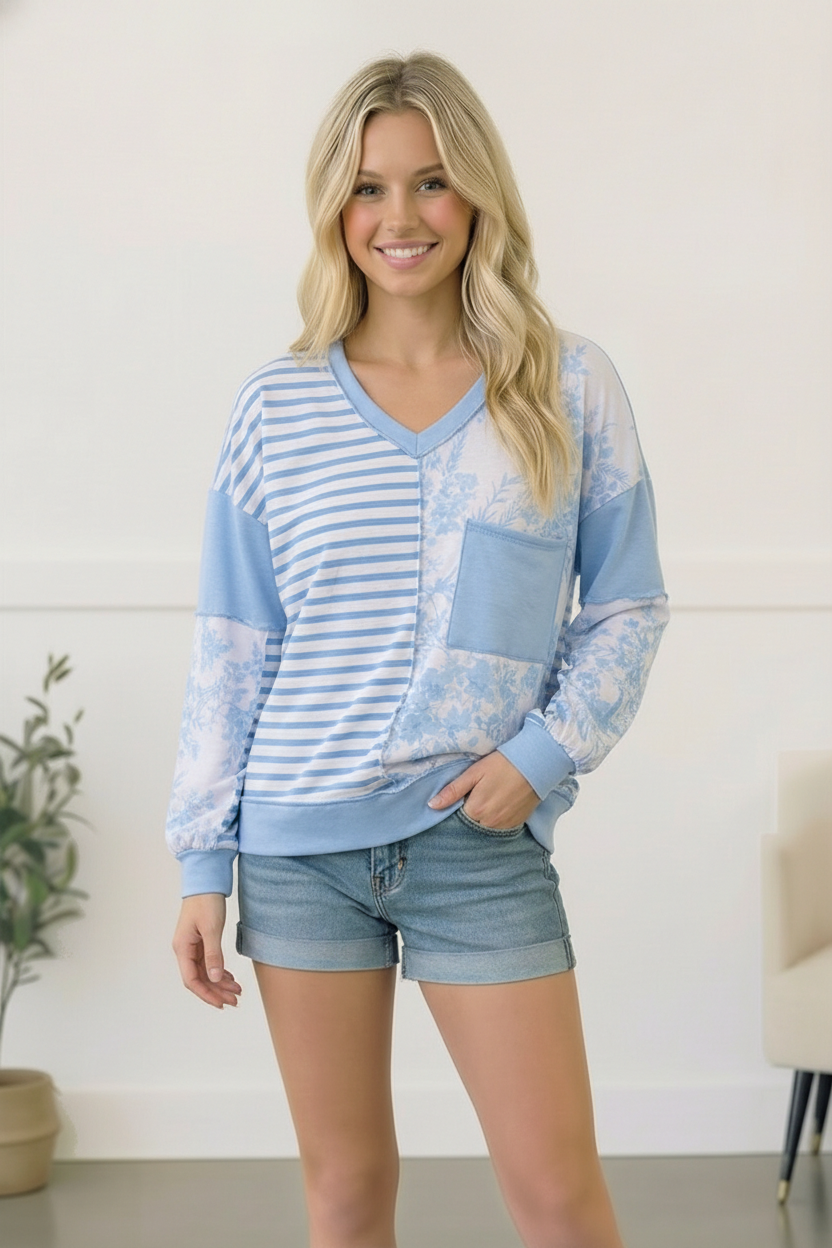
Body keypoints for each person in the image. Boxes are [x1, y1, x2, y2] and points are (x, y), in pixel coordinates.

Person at [169, 50, 668, 1248]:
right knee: (346, 1195)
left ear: (479, 197)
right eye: (368, 187)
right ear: (333, 210)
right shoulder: (274, 407)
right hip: (299, 852)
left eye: (432, 183)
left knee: (555, 1195)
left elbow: (626, 608)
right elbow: (232, 647)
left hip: (474, 842)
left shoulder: (564, 386)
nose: (400, 217)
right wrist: (202, 862)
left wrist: (542, 756)